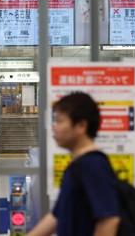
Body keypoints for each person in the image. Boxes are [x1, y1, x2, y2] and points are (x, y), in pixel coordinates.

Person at [27, 92, 120, 236]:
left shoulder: (93, 165)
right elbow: (56, 216)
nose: (54, 127)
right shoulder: (77, 166)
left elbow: (109, 220)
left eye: (59, 121)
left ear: (81, 126)